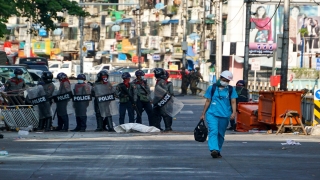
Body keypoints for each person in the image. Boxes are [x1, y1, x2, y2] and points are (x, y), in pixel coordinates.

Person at [200, 70, 238, 158]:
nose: (225, 82)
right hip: (212, 114)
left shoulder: (231, 89)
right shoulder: (211, 88)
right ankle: (213, 149)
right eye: (224, 80)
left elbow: (233, 101)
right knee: (213, 131)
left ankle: (218, 150)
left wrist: (234, 112)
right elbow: (208, 101)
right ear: (220, 78)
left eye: (227, 81)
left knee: (221, 134)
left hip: (225, 115)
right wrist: (203, 114)